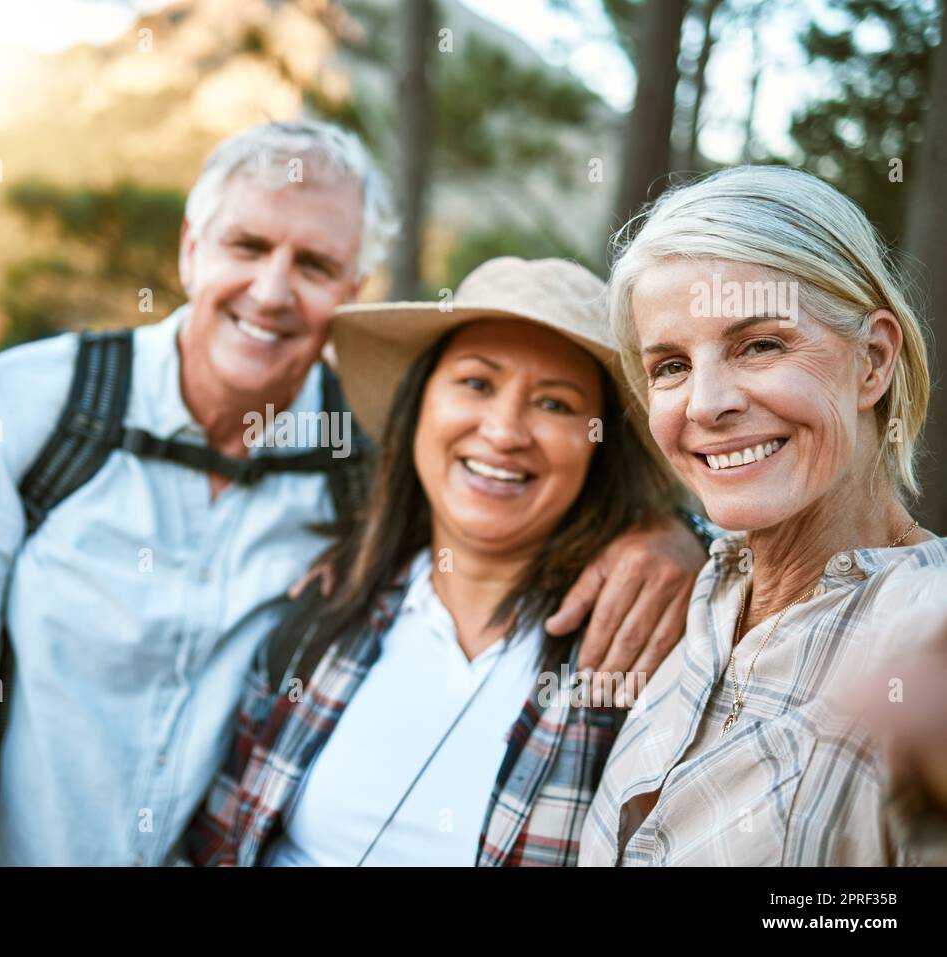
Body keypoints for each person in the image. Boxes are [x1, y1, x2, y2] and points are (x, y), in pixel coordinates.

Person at [0, 120, 707, 867]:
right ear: (191, 247)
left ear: (353, 290)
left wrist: (671, 531)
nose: (271, 289)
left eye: (314, 263)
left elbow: (523, 476)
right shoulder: (33, 406)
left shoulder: (366, 449)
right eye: (247, 247)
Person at [184, 256, 680, 867]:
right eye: (476, 383)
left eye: (555, 405)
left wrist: (693, 534)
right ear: (419, 406)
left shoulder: (639, 649)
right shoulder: (321, 614)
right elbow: (220, 841)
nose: (502, 432)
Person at [581, 164, 947, 865]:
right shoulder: (701, 595)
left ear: (872, 360)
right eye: (670, 365)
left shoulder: (928, 642)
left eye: (760, 345)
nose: (705, 403)